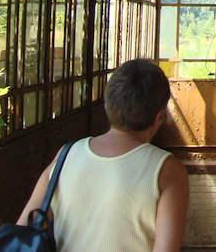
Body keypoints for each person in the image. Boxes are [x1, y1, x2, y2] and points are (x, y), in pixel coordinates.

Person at [17, 59, 190, 252]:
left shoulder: (66, 155)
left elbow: (24, 228)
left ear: (106, 108)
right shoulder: (167, 169)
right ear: (158, 117)